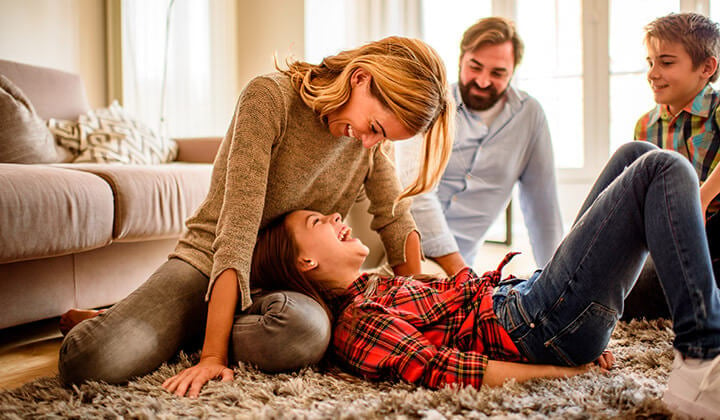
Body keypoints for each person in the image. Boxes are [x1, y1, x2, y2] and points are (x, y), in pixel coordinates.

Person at [57, 36, 455, 398]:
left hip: (291, 279)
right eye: (374, 128)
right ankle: (122, 323)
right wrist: (212, 356)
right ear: (361, 79)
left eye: (382, 137)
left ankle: (186, 326)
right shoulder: (270, 97)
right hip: (213, 261)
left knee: (307, 333)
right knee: (92, 362)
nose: (371, 142)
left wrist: (412, 309)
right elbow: (237, 229)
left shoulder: (367, 142)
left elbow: (395, 216)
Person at [253, 141, 720, 418]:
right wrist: (567, 372)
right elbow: (450, 372)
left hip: (528, 300)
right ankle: (701, 357)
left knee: (634, 155)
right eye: (318, 223)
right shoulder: (357, 321)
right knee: (663, 168)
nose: (335, 215)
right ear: (305, 265)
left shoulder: (374, 284)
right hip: (538, 325)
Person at [395, 16, 562, 276]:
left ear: (513, 72)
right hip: (407, 252)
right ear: (461, 59)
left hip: (461, 268)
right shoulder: (430, 106)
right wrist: (459, 271)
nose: (483, 81)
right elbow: (414, 190)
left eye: (497, 73)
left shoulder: (530, 116)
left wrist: (555, 278)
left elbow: (543, 210)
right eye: (475, 67)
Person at [624, 12, 720, 320]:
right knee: (632, 299)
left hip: (715, 228)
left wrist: (700, 200)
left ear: (706, 67)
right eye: (650, 62)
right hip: (672, 241)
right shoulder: (645, 126)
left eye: (666, 63)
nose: (653, 73)